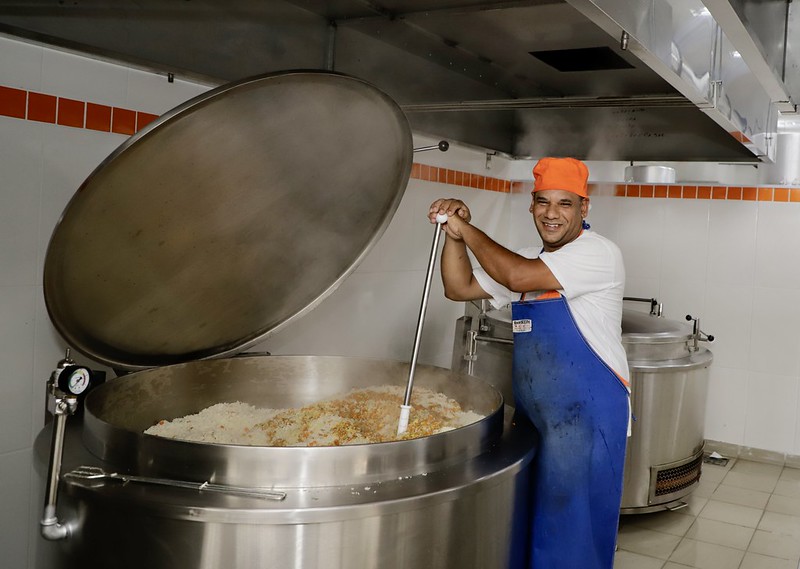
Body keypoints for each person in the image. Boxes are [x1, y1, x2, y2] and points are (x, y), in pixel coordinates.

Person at [428, 157, 629, 569]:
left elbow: (517, 277)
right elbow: (458, 287)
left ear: (584, 207)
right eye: (543, 202)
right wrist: (454, 236)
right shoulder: (528, 258)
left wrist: (467, 228)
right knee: (529, 521)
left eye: (565, 203)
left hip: (588, 418)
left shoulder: (597, 252)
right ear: (532, 206)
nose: (551, 213)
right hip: (536, 415)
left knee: (572, 530)